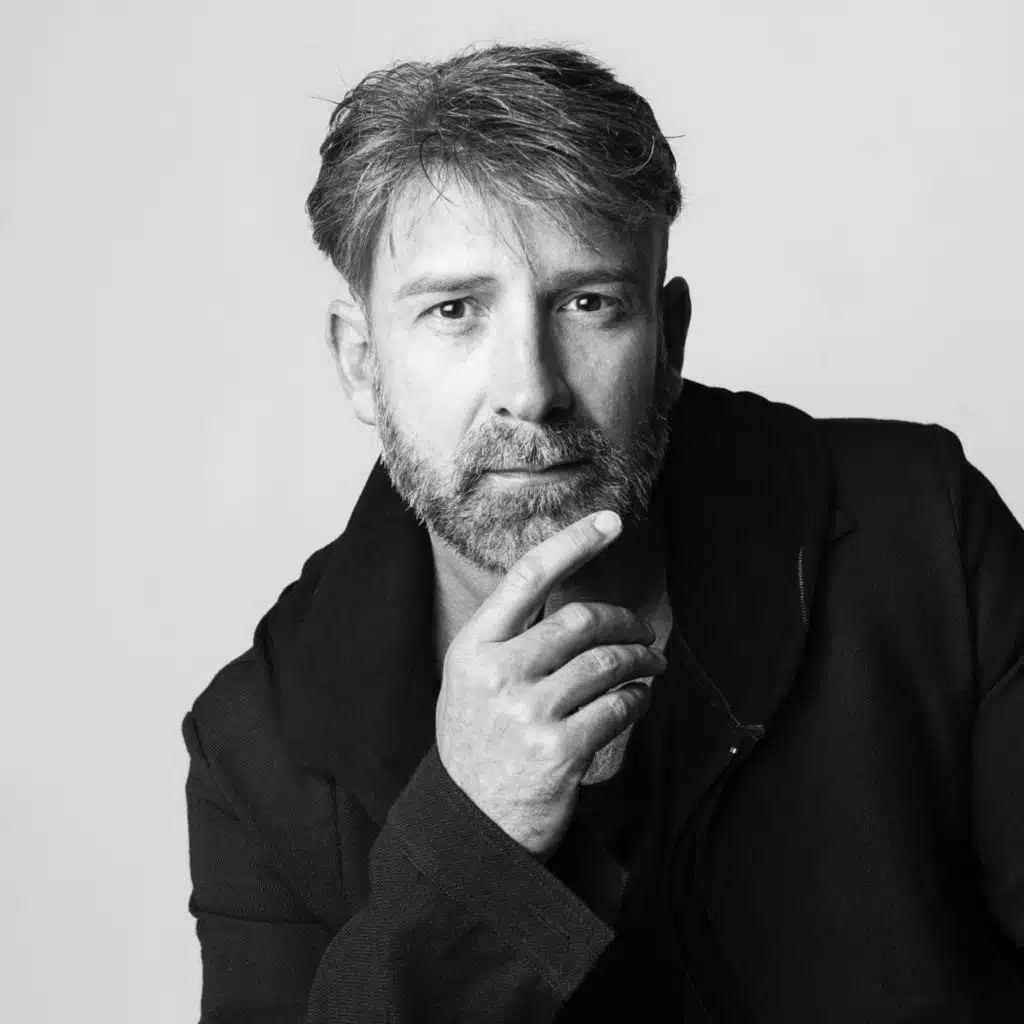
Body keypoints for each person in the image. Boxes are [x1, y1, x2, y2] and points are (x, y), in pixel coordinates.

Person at [181, 43, 1024, 1022]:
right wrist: (471, 836)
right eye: (454, 311)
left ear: (668, 339)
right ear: (361, 364)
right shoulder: (258, 746)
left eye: (588, 304)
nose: (531, 389)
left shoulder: (921, 534)